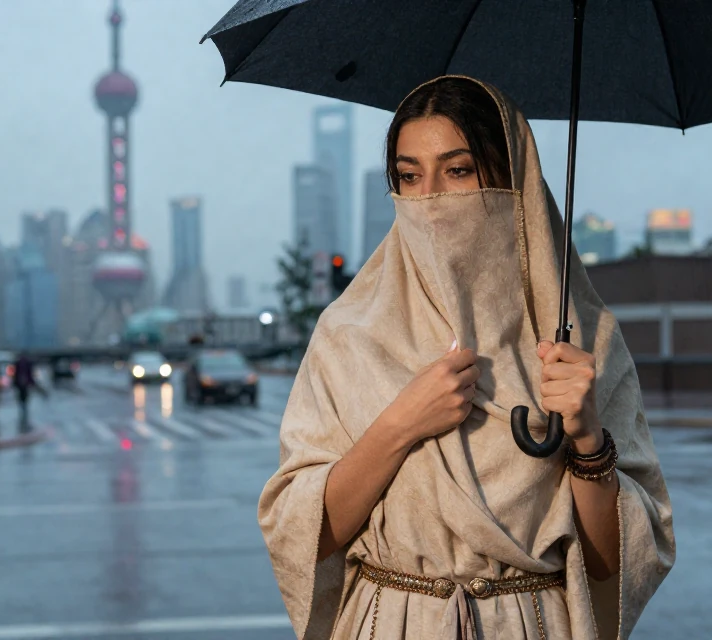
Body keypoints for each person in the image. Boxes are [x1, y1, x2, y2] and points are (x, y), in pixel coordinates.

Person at [258, 76, 675, 640]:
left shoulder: (583, 341)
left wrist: (587, 439)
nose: (430, 199)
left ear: (511, 182)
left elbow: (614, 567)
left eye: (458, 171)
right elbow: (305, 531)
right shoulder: (347, 332)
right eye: (409, 176)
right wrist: (401, 424)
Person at [12, 352, 40, 432]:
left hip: (23, 385)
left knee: (23, 400)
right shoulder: (22, 364)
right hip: (22, 385)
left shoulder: (23, 364)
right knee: (23, 400)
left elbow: (29, 374)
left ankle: (24, 415)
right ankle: (24, 415)